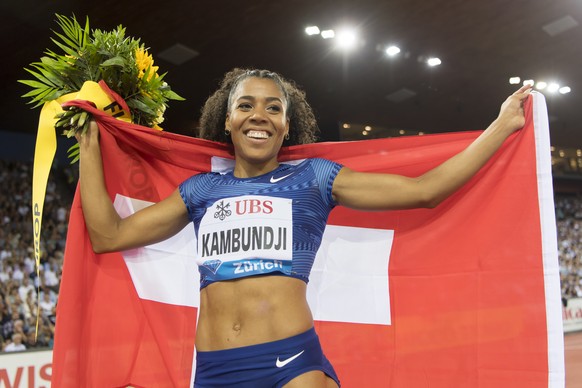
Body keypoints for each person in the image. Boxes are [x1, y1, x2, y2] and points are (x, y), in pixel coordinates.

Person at [76, 68, 531, 388]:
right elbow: (108, 236)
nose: (259, 115)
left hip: (291, 365)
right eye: (246, 106)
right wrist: (89, 141)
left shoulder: (314, 178)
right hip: (214, 369)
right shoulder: (200, 191)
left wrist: (502, 125)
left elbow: (426, 190)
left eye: (273, 108)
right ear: (228, 119)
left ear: (286, 125)